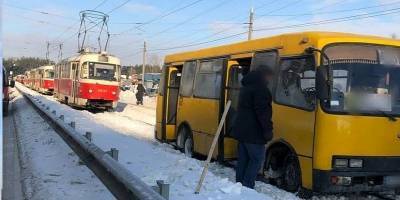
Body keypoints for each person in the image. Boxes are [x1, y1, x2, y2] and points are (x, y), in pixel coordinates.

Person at [231, 67, 274, 189]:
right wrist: (267, 130)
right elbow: (263, 113)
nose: (270, 80)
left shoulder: (246, 88)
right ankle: (247, 186)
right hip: (254, 133)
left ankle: (239, 186)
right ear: (265, 76)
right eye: (270, 77)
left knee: (243, 159)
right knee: (256, 159)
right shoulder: (261, 90)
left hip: (242, 131)